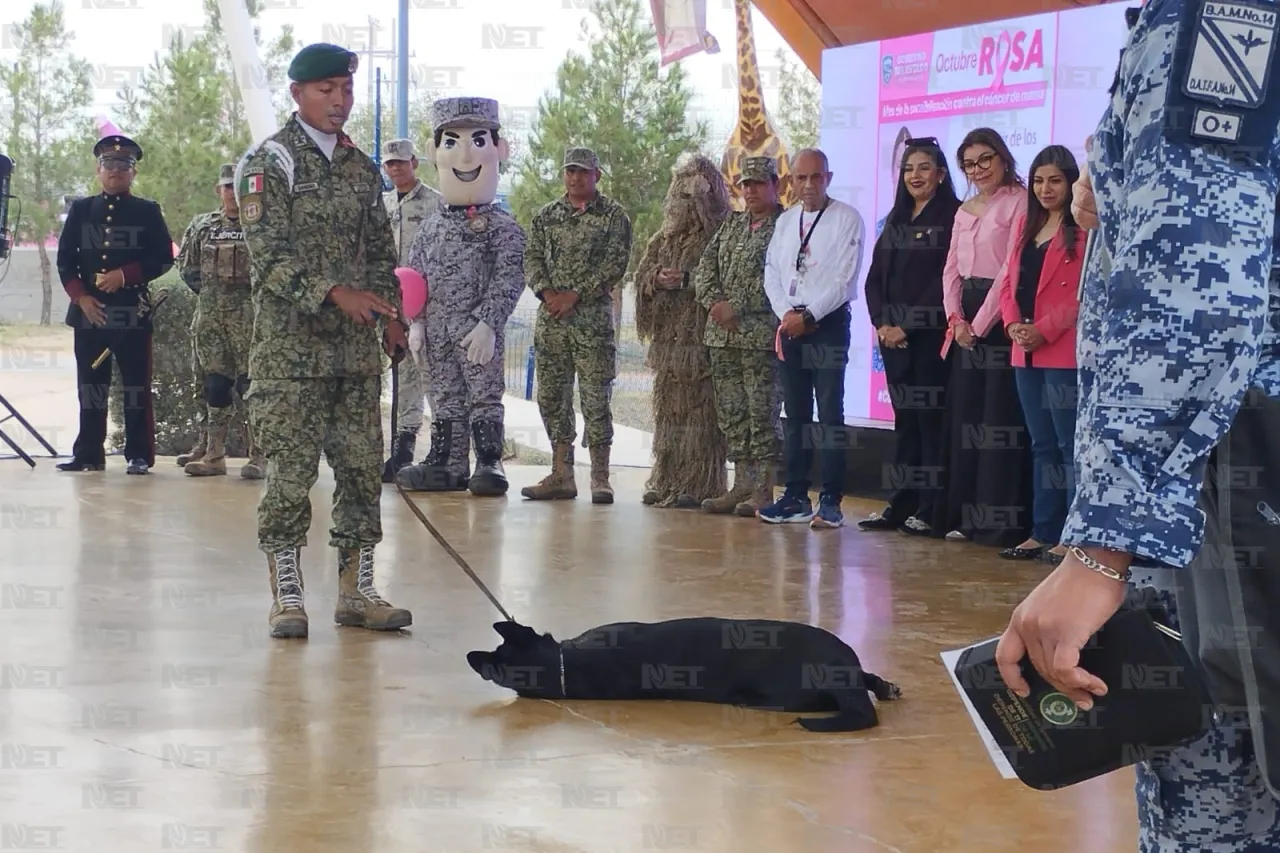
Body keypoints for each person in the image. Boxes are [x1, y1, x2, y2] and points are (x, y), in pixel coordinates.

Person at [996, 3, 1280, 850]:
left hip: (1237, 498)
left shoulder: (1213, 16)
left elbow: (1193, 293)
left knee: (1224, 787)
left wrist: (1102, 546)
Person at [236, 42, 411, 639]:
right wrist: (338, 293)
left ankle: (357, 590)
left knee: (363, 472)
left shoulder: (362, 169)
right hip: (291, 358)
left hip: (356, 357)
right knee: (290, 478)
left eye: (345, 89)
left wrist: (392, 314)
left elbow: (383, 253)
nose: (340, 101)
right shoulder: (270, 163)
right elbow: (270, 259)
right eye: (326, 90)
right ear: (298, 94)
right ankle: (287, 594)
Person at [396, 97, 527, 498]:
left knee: (483, 394)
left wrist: (490, 322)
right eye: (452, 142)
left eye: (479, 140)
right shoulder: (432, 225)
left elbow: (510, 275)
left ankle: (488, 460)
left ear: (499, 151)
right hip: (436, 331)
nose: (466, 154)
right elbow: (414, 275)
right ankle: (447, 462)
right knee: (445, 396)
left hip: (476, 331)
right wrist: (414, 322)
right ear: (436, 152)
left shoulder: (501, 226)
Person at [929, 128, 1032, 547]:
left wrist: (982, 323)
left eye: (985, 159)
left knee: (997, 421)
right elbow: (950, 268)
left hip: (1000, 318)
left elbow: (1010, 269)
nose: (979, 170)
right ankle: (964, 516)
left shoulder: (1021, 201)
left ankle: (999, 521)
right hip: (964, 322)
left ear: (1003, 157)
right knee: (966, 419)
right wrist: (955, 319)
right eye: (970, 164)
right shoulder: (964, 208)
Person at [757, 147, 865, 529]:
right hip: (790, 326)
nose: (808, 185)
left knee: (830, 415)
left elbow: (844, 280)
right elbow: (771, 271)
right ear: (792, 181)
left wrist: (808, 316)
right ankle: (796, 496)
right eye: (800, 178)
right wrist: (786, 315)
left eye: (815, 177)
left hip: (826, 326)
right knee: (796, 417)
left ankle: (832, 499)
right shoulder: (786, 222)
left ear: (828, 178)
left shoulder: (847, 219)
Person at [857, 137, 960, 535]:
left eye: (923, 167)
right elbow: (874, 279)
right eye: (908, 168)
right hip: (893, 342)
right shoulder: (896, 218)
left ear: (940, 174)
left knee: (930, 425)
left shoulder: (953, 215)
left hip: (930, 339)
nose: (914, 176)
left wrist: (908, 325)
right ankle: (901, 504)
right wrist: (882, 323)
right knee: (906, 426)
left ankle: (932, 509)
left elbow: (945, 281)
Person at [55, 134, 174, 476]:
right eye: (109, 165)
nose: (116, 171)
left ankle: (138, 454)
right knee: (91, 386)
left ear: (133, 173)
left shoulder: (147, 211)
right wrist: (83, 297)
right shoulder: (80, 210)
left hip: (131, 312)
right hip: (89, 314)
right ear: (98, 170)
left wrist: (124, 276)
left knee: (135, 385)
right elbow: (65, 262)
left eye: (124, 166)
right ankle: (89, 453)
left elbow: (163, 259)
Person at [521, 146, 633, 505]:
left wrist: (576, 294)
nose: (575, 178)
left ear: (596, 176)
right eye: (570, 171)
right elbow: (532, 257)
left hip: (592, 323)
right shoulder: (545, 216)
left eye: (583, 172)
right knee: (552, 397)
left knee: (596, 399)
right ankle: (561, 473)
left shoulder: (614, 216)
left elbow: (616, 264)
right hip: (552, 322)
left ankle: (600, 476)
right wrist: (547, 293)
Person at [995, 145, 1085, 563]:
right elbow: (1009, 286)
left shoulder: (1083, 229)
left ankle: (1073, 534)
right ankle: (1043, 529)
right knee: (1041, 444)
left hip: (1062, 350)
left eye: (1054, 180)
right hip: (1023, 351)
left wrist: (1043, 330)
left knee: (1069, 445)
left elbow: (1084, 295)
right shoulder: (1025, 228)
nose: (1045, 189)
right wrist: (1013, 325)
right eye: (1038, 181)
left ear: (1070, 183)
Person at [634, 152, 732, 508]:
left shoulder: (722, 234)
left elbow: (729, 282)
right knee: (669, 417)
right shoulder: (662, 241)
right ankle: (666, 479)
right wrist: (655, 281)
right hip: (669, 348)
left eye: (696, 195)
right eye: (682, 194)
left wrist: (689, 281)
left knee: (702, 420)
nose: (687, 204)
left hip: (704, 348)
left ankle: (701, 484)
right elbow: (641, 280)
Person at [695, 155, 785, 517]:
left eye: (759, 183)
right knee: (732, 413)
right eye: (746, 184)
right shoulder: (731, 225)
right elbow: (706, 268)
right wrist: (715, 303)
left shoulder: (786, 225)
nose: (751, 190)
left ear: (775, 186)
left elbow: (784, 276)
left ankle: (763, 490)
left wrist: (739, 306)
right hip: (721, 338)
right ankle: (741, 485)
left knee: (761, 412)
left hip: (760, 337)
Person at [175, 163, 265, 480]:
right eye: (227, 186)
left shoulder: (261, 225)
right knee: (213, 384)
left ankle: (259, 456)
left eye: (238, 186)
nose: (232, 193)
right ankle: (213, 454)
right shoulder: (202, 226)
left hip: (250, 319)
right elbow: (187, 268)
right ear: (219, 190)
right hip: (211, 318)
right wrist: (213, 296)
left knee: (251, 385)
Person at [379, 137, 442, 483]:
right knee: (396, 376)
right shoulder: (380, 204)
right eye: (390, 164)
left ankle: (432, 447)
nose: (395, 168)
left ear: (414, 163)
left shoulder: (436, 203)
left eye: (401, 162)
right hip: (385, 303)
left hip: (423, 306)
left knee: (424, 375)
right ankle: (397, 449)